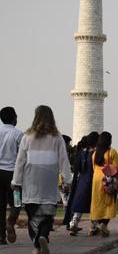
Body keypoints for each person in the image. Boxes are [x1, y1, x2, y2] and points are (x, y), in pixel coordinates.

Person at [12, 105, 72, 254]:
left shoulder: (27, 137)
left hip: (31, 182)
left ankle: (36, 247)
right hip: (49, 183)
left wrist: (16, 182)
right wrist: (67, 181)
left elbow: (20, 161)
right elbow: (64, 160)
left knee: (33, 216)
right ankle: (43, 236)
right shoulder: (57, 138)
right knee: (47, 214)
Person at [67, 132, 99, 236]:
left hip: (82, 181)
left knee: (79, 205)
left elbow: (78, 168)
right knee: (94, 205)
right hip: (93, 182)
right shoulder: (95, 153)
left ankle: (73, 224)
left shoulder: (82, 152)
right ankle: (93, 227)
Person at [0, 106, 23, 244]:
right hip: (13, 175)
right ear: (14, 118)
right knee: (17, 202)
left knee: (0, 206)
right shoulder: (18, 134)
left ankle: (1, 236)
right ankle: (11, 221)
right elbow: (23, 156)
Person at [89, 132, 118, 237]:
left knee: (98, 202)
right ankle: (103, 224)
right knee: (109, 203)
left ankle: (98, 224)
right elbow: (116, 169)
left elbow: (93, 168)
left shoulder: (95, 154)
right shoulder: (112, 152)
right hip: (107, 179)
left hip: (96, 179)